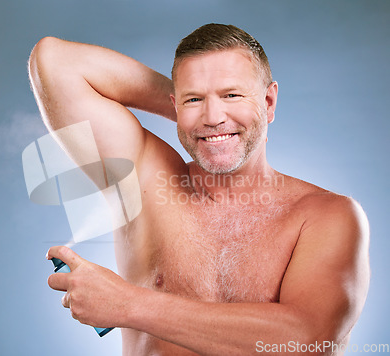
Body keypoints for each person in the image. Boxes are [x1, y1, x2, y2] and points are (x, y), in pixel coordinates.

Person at [28, 24, 370, 355]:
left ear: (268, 102)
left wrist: (128, 305)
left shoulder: (326, 216)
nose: (212, 115)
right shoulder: (145, 180)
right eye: (194, 100)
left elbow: (307, 341)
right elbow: (56, 62)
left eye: (232, 94)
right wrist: (196, 117)